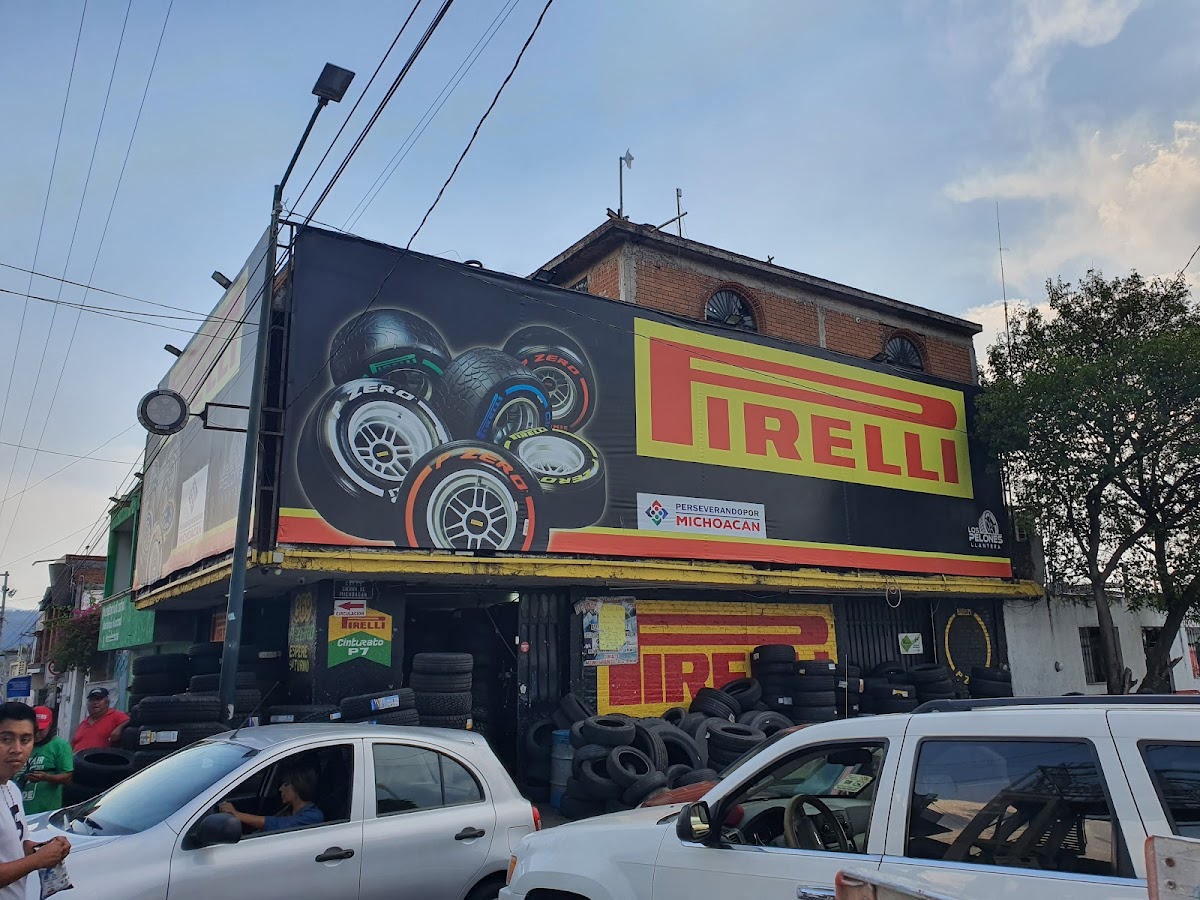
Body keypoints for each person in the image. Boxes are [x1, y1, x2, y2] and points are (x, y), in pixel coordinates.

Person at [0, 702, 70, 899]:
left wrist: (46, 849)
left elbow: (18, 844)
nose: (17, 749)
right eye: (6, 739)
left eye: (25, 740)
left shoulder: (12, 789)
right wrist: (38, 860)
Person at [219, 766, 324, 833]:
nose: (280, 789)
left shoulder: (313, 816)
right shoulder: (288, 809)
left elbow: (276, 824)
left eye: (286, 785)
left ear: (298, 787)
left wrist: (237, 814)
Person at [19, 707, 73, 815]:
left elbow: (67, 777)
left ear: (50, 726)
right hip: (18, 809)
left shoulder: (59, 746)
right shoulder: (20, 744)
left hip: (44, 812)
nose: (37, 734)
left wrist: (46, 777)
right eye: (35, 730)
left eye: (42, 730)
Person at [70, 688, 129, 752]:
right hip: (77, 757)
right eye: (91, 700)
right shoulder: (83, 723)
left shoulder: (116, 715)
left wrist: (120, 728)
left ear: (107, 702)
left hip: (100, 757)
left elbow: (132, 720)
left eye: (99, 699)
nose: (95, 702)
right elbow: (72, 745)